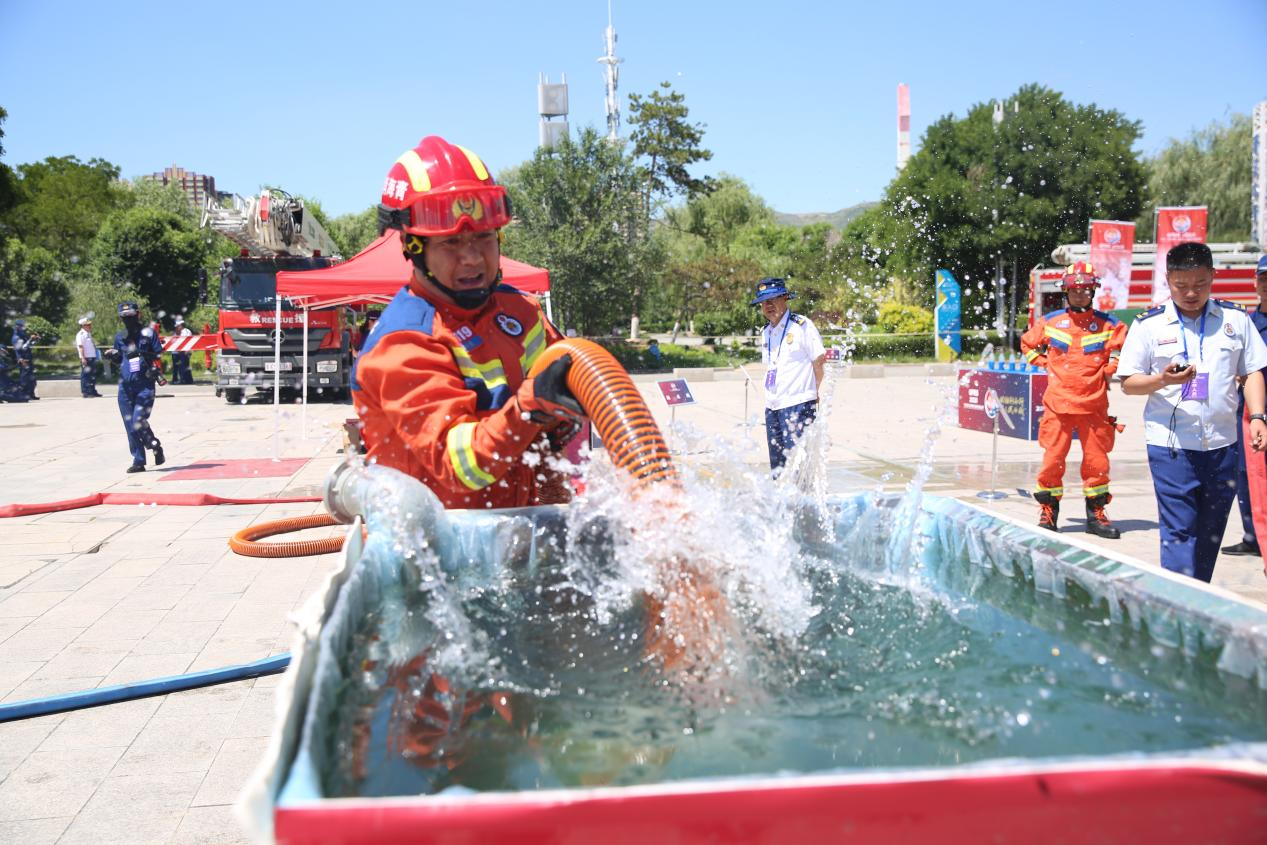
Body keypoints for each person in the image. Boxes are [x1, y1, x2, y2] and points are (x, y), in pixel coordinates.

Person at [353, 135, 583, 509]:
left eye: (482, 238)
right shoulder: (404, 344)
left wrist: (564, 416)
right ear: (414, 247)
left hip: (512, 536)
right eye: (451, 244)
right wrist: (529, 410)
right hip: (434, 553)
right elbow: (459, 468)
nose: (473, 258)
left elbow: (576, 379)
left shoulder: (519, 312)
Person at [1118, 242, 1267, 582]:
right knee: (1180, 531)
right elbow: (1128, 382)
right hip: (1171, 446)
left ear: (1213, 277)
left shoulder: (1234, 320)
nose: (1190, 293)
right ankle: (1178, 607)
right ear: (1168, 279)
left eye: (1200, 284)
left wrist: (1258, 416)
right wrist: (1160, 379)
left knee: (1209, 534)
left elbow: (1254, 370)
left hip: (1223, 446)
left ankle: (1196, 598)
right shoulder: (1148, 325)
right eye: (1181, 285)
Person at [1020, 261, 1127, 537]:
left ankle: (1096, 515)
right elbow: (1027, 344)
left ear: (1093, 291)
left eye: (1086, 289)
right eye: (1075, 290)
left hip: (1094, 406)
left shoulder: (1109, 325)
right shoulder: (1051, 322)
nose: (1080, 294)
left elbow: (1120, 347)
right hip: (1058, 406)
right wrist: (1044, 363)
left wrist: (1112, 366)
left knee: (1097, 463)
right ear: (1065, 292)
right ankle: (1049, 513)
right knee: (1053, 460)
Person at [753, 277, 825, 474]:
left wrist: (813, 391)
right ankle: (783, 503)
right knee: (778, 468)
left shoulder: (801, 325)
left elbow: (819, 361)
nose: (769, 305)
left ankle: (805, 503)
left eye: (773, 299)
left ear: (785, 298)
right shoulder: (766, 332)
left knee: (799, 467)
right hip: (773, 406)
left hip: (798, 404)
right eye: (764, 301)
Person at [1222, 254, 1267, 557]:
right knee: (1246, 476)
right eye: (1263, 279)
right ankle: (1253, 536)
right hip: (1249, 412)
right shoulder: (1246, 324)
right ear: (1255, 282)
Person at [103, 302, 167, 473]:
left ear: (137, 315)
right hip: (125, 386)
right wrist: (113, 356)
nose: (127, 320)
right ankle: (139, 460)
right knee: (130, 425)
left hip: (144, 384)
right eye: (124, 317)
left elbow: (158, 353)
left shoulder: (148, 333)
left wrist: (140, 353)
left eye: (130, 316)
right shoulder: (120, 336)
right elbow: (120, 361)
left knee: (138, 420)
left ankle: (154, 445)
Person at [75, 315, 103, 398]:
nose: (90, 326)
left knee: (92, 375)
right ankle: (86, 392)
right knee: (86, 375)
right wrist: (83, 358)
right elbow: (81, 347)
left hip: (92, 357)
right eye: (88, 325)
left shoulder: (88, 334)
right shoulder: (81, 334)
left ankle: (92, 390)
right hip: (86, 357)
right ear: (83, 326)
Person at [11, 318, 39, 400]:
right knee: (24, 379)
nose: (23, 327)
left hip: (28, 359)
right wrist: (31, 339)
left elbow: (29, 345)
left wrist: (35, 340)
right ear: (17, 327)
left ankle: (31, 394)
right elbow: (23, 347)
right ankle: (23, 394)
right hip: (23, 360)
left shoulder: (23, 335)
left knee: (32, 379)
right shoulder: (16, 337)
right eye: (21, 326)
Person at [170, 317, 194, 385]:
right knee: (175, 367)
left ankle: (186, 380)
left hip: (184, 352)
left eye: (178, 325)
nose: (177, 327)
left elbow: (189, 341)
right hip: (175, 352)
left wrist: (188, 351)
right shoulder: (175, 332)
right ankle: (175, 379)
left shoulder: (187, 331)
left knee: (184, 366)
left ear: (181, 325)